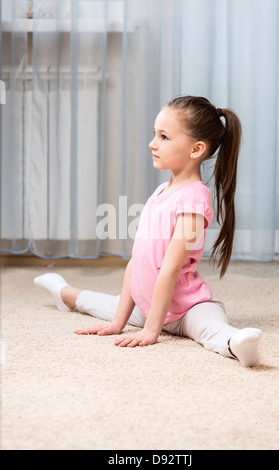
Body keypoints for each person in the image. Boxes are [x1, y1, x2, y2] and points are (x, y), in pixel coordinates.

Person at [34, 95, 262, 367]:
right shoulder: (160, 193)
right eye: (154, 134)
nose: (152, 143)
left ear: (196, 149)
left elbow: (170, 268)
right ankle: (64, 293)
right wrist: (120, 322)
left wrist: (152, 330)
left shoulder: (194, 201)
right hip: (151, 305)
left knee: (209, 328)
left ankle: (237, 345)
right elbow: (138, 260)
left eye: (164, 137)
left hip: (189, 307)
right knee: (108, 306)